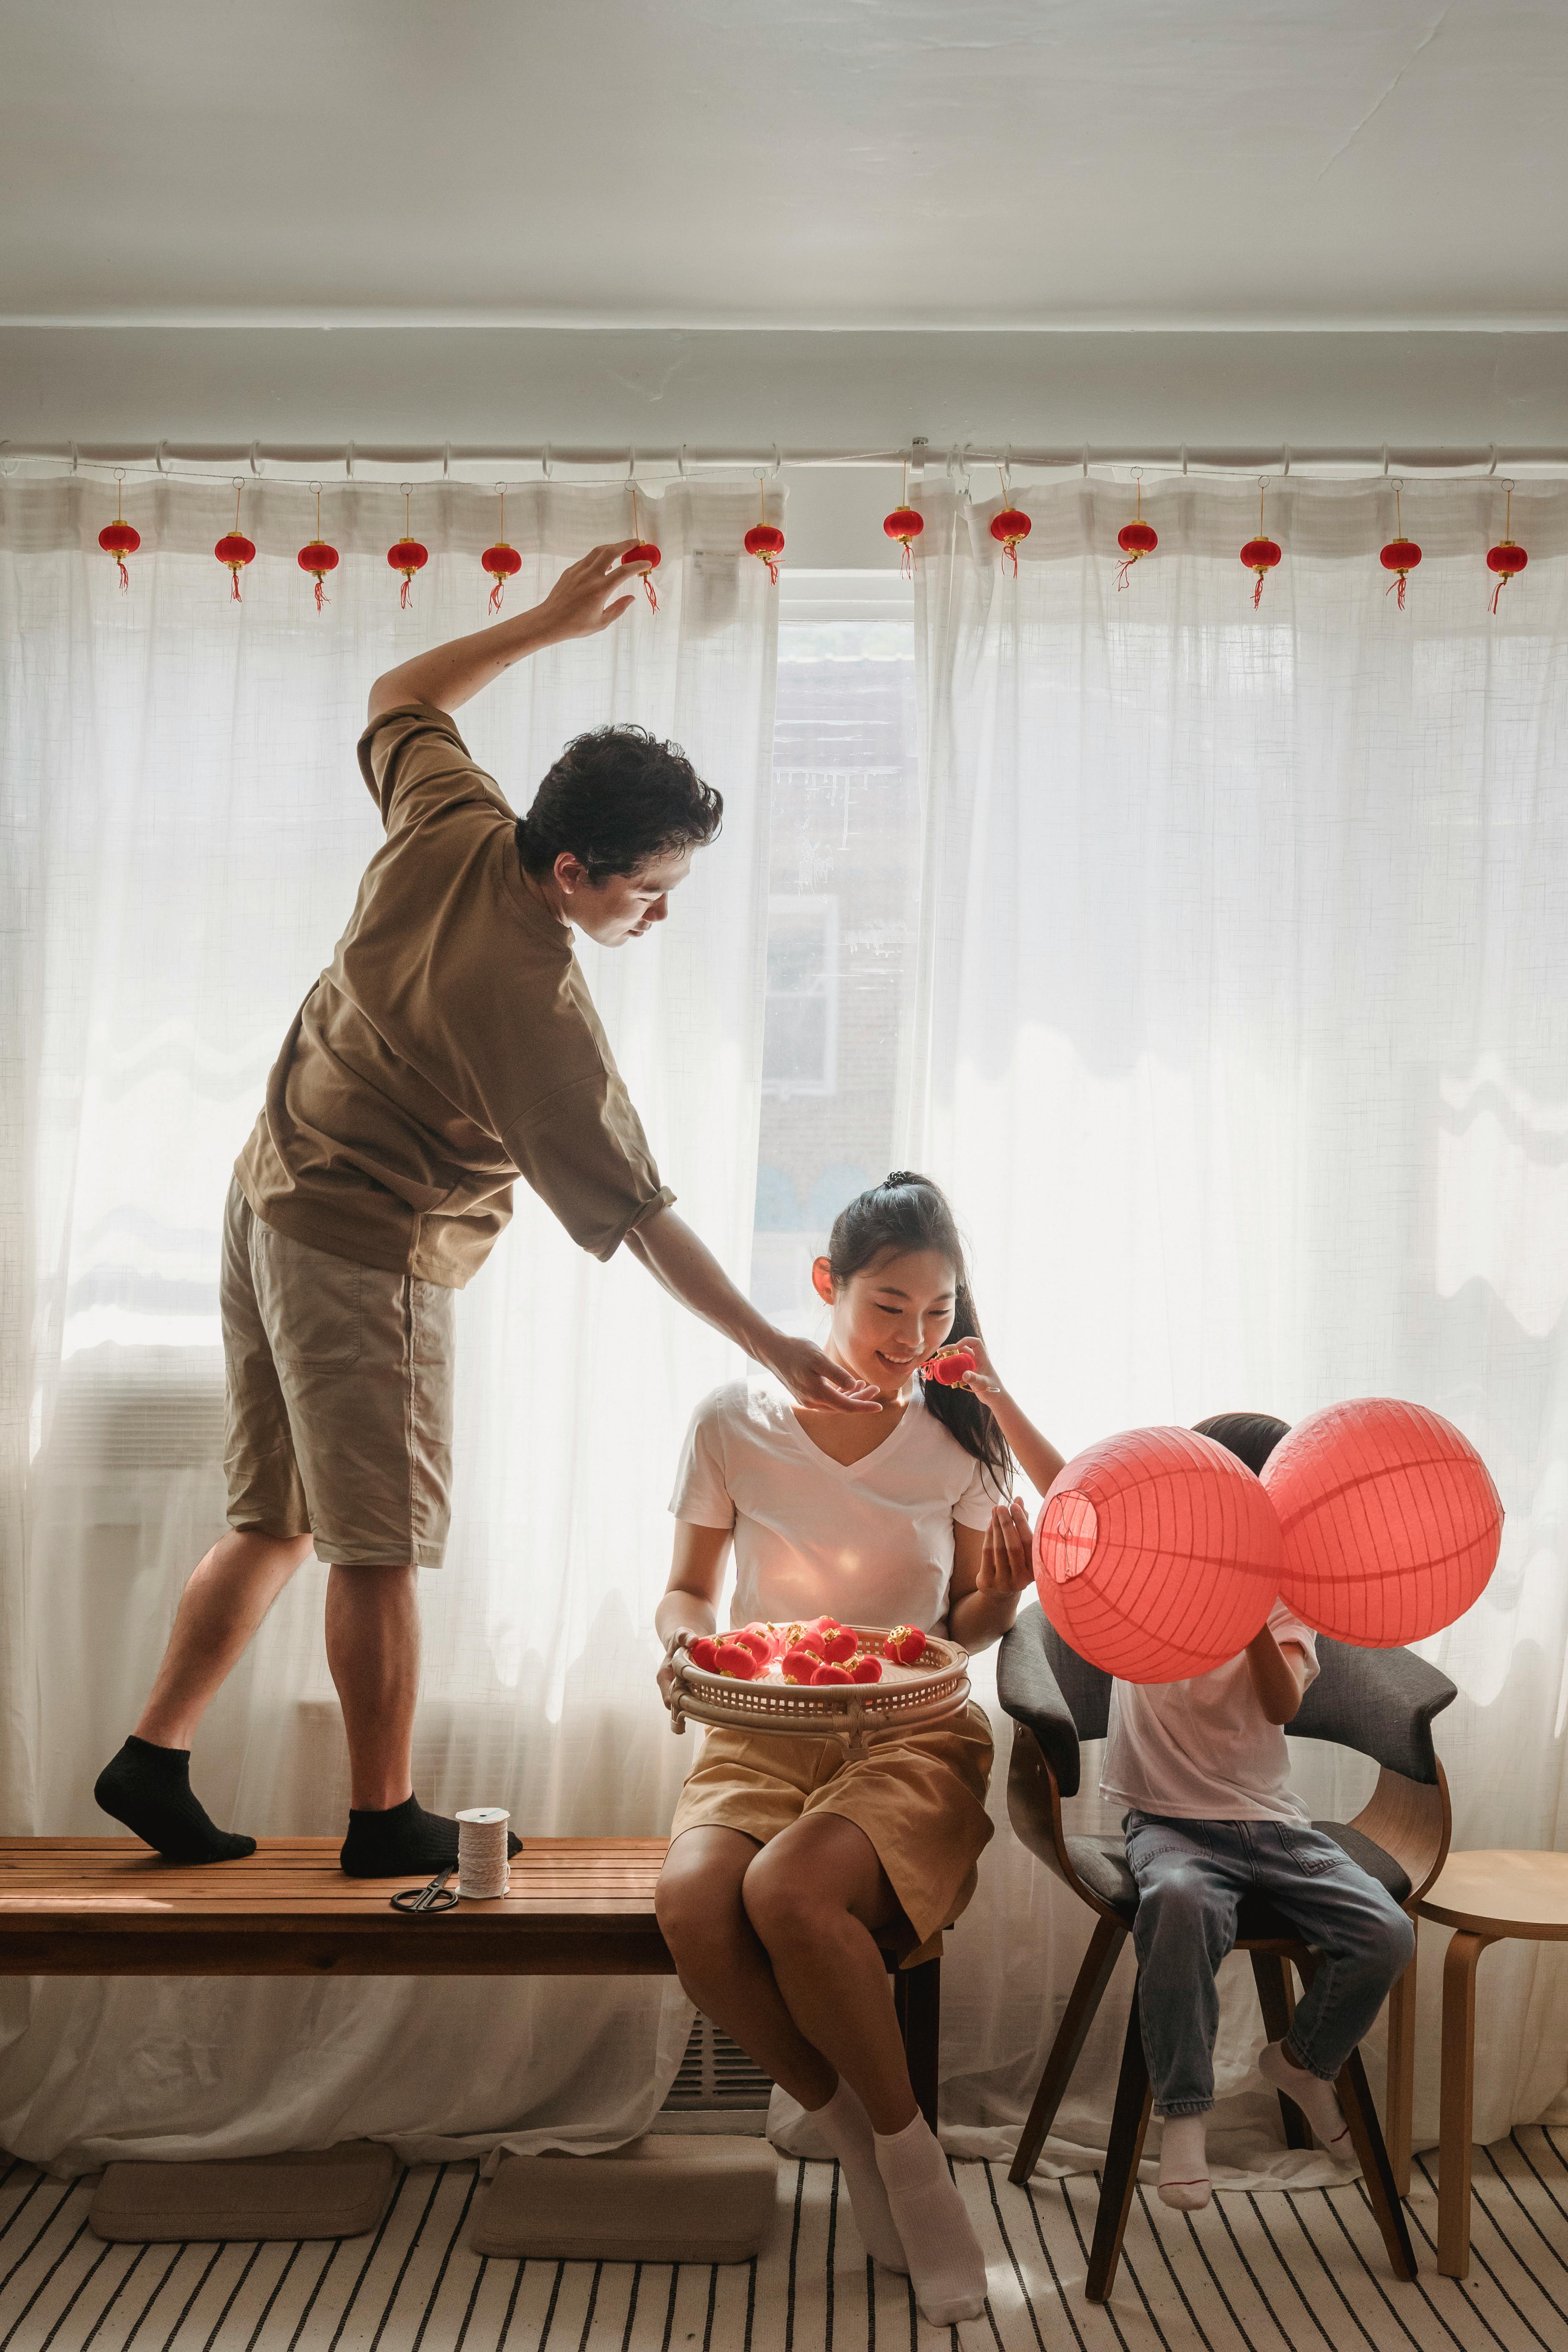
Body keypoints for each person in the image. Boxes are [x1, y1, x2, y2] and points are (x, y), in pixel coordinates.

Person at [94, 541, 878, 1879]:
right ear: (574, 872)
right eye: (651, 891)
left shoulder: (454, 818)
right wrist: (778, 1347)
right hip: (358, 1247)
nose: (658, 915)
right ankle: (379, 1816)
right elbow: (642, 1216)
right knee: (378, 1545)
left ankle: (151, 1757)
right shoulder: (535, 1009)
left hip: (267, 1191)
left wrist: (549, 620)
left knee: (275, 1515)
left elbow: (401, 692)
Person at [652, 1173, 1064, 2326]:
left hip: (914, 1728)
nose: (914, 1338)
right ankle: (859, 2131)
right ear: (827, 1286)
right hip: (763, 1722)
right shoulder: (732, 1420)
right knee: (693, 1908)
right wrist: (686, 1650)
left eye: (938, 1313)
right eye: (890, 1306)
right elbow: (687, 1590)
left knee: (790, 1894)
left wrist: (1000, 1593)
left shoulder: (959, 1438)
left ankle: (917, 2174)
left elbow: (967, 1634)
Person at [1088, 1409, 1415, 2210]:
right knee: (1178, 1900)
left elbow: (1278, 1702)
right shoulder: (1143, 1574)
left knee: (1385, 1933)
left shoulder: (1283, 1602)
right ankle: (1185, 2112)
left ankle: (1300, 2063)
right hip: (1167, 1823)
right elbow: (1074, 1493)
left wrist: (1248, 1618)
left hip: (1271, 1824)